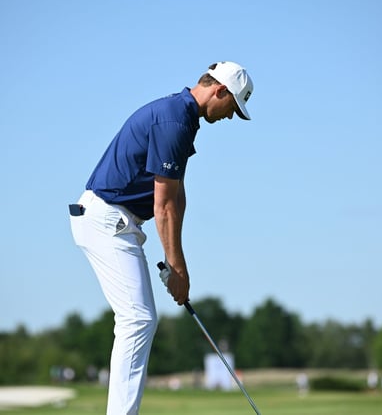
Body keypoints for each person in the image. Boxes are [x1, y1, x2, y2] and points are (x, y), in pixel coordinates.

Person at [68, 61, 254, 415]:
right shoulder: (174, 121)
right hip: (106, 218)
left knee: (139, 319)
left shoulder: (182, 118)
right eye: (232, 108)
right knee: (138, 319)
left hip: (117, 221)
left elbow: (177, 195)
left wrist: (176, 266)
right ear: (220, 90)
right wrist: (177, 267)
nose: (230, 116)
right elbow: (164, 205)